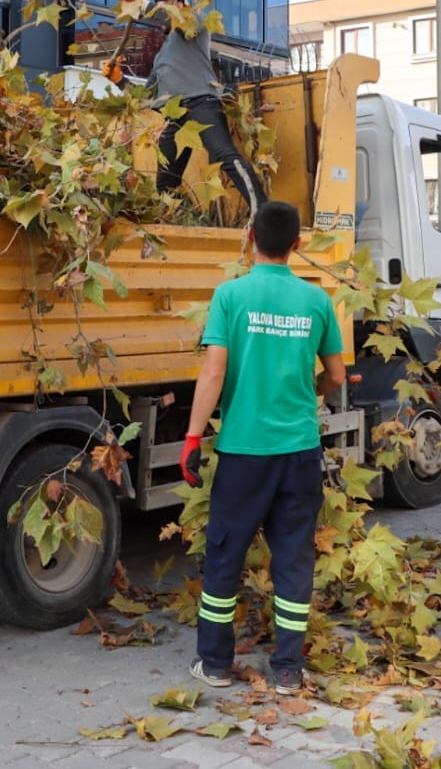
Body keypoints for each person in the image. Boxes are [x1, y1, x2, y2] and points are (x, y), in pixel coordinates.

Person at [179, 200, 345, 695]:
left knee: (226, 553)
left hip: (244, 451)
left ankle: (213, 664)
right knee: (293, 557)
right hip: (299, 451)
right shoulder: (316, 301)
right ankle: (289, 668)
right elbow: (336, 375)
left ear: (249, 236)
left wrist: (192, 438)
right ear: (298, 244)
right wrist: (312, 394)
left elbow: (214, 370)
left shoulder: (230, 295)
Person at [147, 0, 266, 218]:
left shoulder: (194, 24)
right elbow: (145, 96)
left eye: (161, 11)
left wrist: (141, 5)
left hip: (203, 105)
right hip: (176, 117)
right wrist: (117, 79)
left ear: (179, 5)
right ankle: (187, 220)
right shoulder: (160, 57)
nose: (156, 19)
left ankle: (262, 211)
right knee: (165, 182)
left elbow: (185, 25)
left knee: (225, 155)